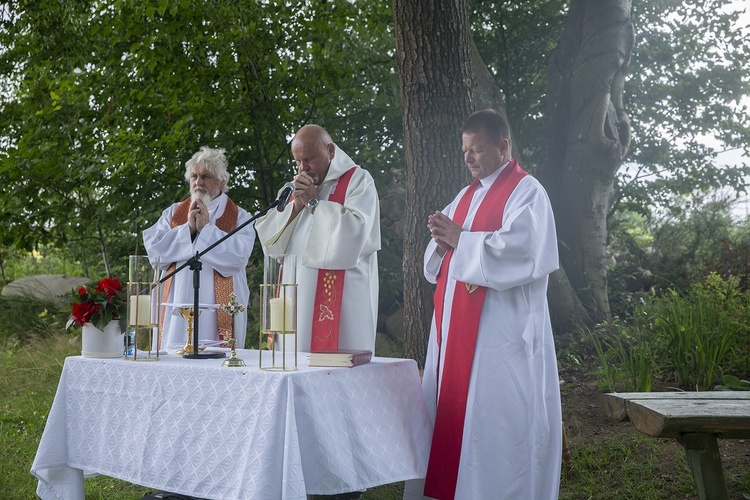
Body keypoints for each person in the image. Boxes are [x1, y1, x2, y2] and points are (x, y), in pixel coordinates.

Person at [403, 109, 562, 500]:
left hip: (500, 339)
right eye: (464, 151)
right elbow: (436, 262)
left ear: (503, 146)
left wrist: (461, 241)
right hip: (456, 334)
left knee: (494, 425)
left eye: (476, 149)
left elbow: (524, 253)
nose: (468, 158)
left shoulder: (528, 191)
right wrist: (443, 246)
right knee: (458, 421)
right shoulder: (465, 196)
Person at [255, 124, 381, 355]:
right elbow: (271, 244)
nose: (303, 168)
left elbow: (356, 232)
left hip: (342, 301)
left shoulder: (358, 180)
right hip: (295, 295)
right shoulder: (298, 188)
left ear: (331, 151)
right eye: (298, 161)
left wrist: (315, 204)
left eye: (309, 159)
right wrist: (297, 205)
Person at [143, 146, 255, 351]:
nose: (198, 182)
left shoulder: (239, 216)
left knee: (217, 358)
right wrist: (188, 230)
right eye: (194, 176)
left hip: (219, 310)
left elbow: (237, 258)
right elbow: (155, 253)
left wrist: (206, 230)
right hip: (176, 304)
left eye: (206, 176)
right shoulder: (173, 213)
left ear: (222, 181)